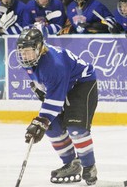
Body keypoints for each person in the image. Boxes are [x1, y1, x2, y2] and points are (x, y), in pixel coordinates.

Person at [16, 27, 98, 185]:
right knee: (52, 127)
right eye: (22, 51)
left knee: (76, 128)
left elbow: (56, 100)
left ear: (39, 48)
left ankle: (89, 166)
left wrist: (41, 121)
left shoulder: (54, 64)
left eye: (28, 51)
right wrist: (41, 91)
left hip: (82, 84)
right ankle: (71, 164)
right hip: (63, 86)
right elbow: (44, 83)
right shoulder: (29, 60)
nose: (24, 56)